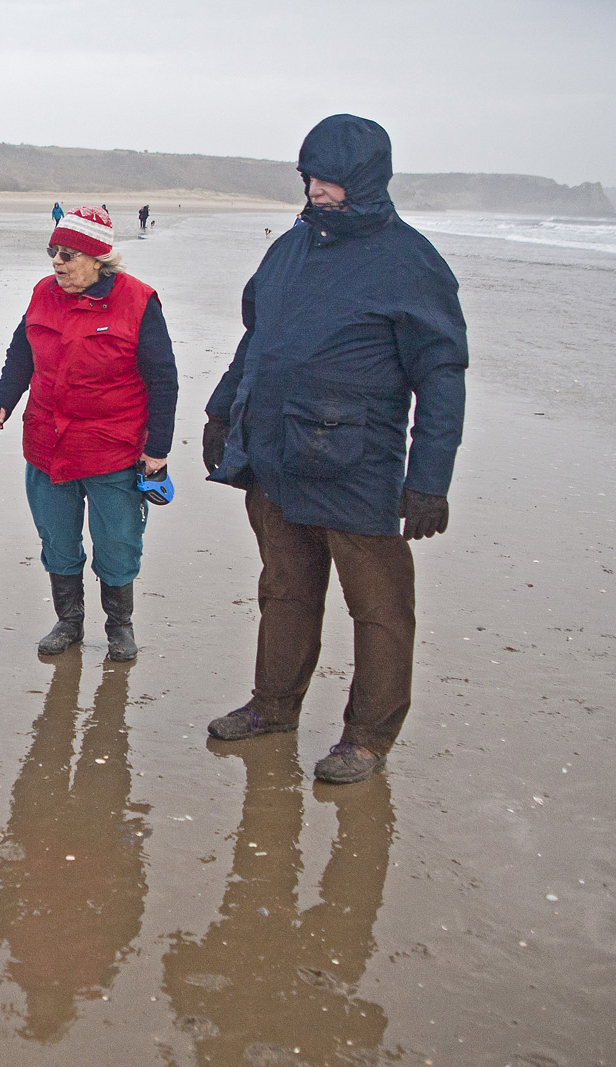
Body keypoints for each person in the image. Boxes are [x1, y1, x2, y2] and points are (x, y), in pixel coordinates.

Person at [200, 114, 468, 784]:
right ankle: (273, 706)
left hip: (358, 467)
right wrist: (222, 412)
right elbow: (256, 339)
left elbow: (441, 375)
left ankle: (368, 737)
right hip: (277, 458)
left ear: (366, 180)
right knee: (284, 589)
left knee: (379, 609)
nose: (315, 189)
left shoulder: (410, 262)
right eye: (309, 176)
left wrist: (429, 478)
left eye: (331, 179)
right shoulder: (290, 248)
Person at [0, 206, 178, 662]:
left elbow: (163, 380)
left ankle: (119, 626)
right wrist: (2, 402)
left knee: (118, 543)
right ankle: (69, 622)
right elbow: (21, 354)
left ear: (97, 259)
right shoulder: (43, 293)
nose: (57, 262)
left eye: (68, 255)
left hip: (113, 450)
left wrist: (158, 450)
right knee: (57, 539)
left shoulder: (139, 302)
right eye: (53, 251)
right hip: (47, 447)